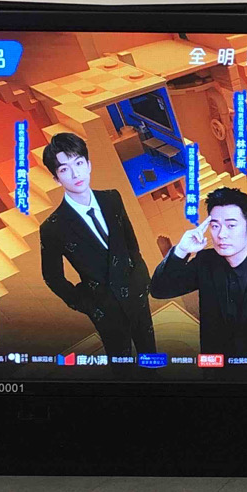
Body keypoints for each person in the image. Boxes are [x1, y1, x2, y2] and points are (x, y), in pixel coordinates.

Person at [149, 187, 247, 368]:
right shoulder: (205, 262)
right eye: (215, 226)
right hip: (215, 368)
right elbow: (159, 289)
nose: (221, 234)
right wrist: (181, 250)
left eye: (231, 225)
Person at [38, 131, 155, 359]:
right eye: (64, 169)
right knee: (121, 364)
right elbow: (52, 277)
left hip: (135, 292)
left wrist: (140, 274)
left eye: (79, 163)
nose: (75, 174)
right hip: (105, 308)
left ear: (89, 164)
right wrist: (87, 305)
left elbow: (131, 243)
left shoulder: (112, 198)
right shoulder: (53, 227)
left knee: (149, 351)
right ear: (56, 179)